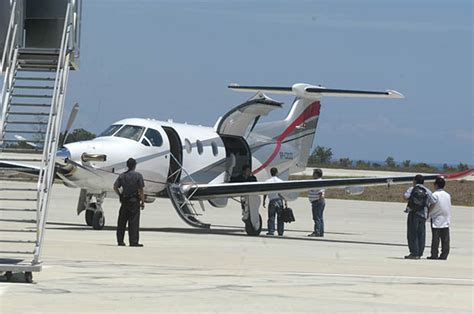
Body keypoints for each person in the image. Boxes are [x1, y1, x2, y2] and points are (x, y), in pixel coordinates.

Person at [113, 158, 145, 247]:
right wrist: (142, 201)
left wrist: (120, 195)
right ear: (135, 165)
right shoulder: (138, 176)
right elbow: (141, 189)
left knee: (122, 222)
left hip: (124, 200)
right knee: (134, 221)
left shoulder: (122, 176)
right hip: (134, 201)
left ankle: (120, 241)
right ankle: (133, 241)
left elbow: (115, 187)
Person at [403, 174, 436, 259]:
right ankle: (420, 253)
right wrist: (428, 212)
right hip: (423, 214)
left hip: (413, 213)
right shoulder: (427, 190)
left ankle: (414, 253)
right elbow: (433, 202)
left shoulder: (412, 189)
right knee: (421, 234)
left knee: (412, 234)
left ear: (415, 181)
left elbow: (405, 197)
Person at [427, 176, 451, 260]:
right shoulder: (447, 195)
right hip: (445, 218)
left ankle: (434, 254)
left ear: (436, 185)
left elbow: (433, 204)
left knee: (435, 239)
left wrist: (428, 213)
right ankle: (444, 255)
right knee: (445, 239)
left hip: (436, 218)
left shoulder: (435, 195)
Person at [263, 167, 287, 236]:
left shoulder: (267, 181)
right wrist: (285, 201)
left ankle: (271, 231)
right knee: (280, 217)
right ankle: (280, 231)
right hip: (279, 200)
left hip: (272, 201)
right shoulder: (280, 181)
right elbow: (283, 193)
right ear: (277, 172)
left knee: (271, 217)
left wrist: (264, 201)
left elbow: (265, 192)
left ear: (270, 173)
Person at [307, 168, 325, 237]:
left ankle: (317, 232)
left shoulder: (318, 182)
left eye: (314, 173)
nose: (312, 175)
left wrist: (318, 200)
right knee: (320, 217)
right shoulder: (316, 181)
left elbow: (321, 192)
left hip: (317, 202)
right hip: (317, 201)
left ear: (317, 174)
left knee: (316, 218)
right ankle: (320, 232)